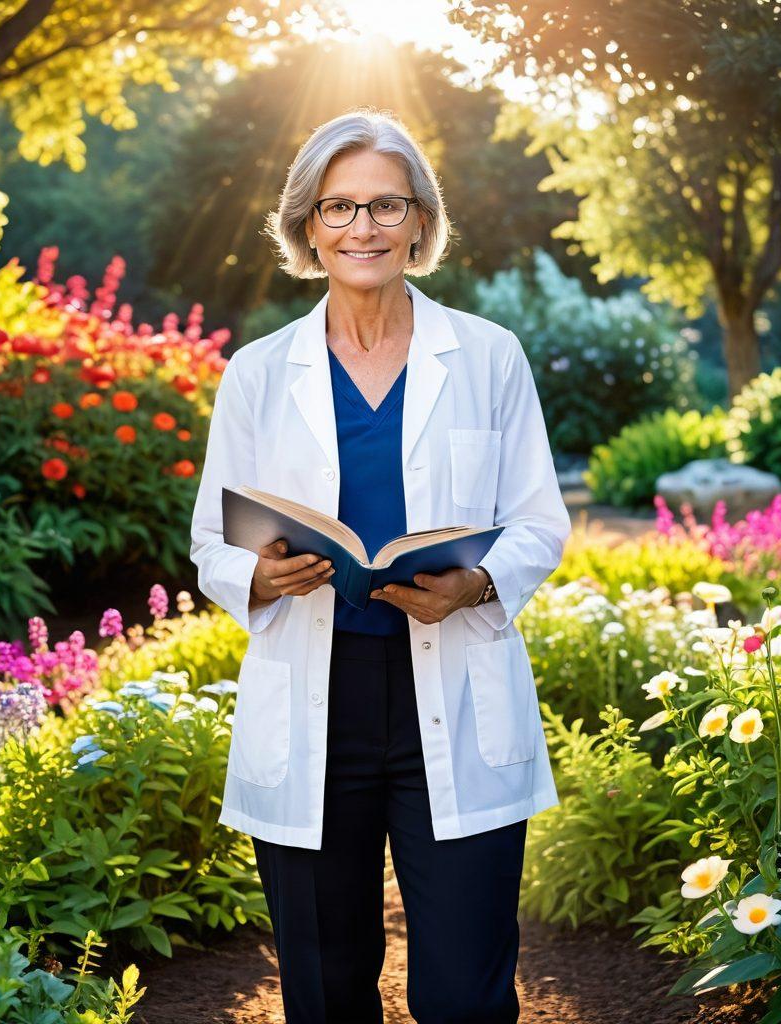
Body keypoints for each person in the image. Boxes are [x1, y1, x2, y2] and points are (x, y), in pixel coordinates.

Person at [189, 106, 572, 1024]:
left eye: (387, 206)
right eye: (339, 208)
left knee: (467, 995)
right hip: (318, 696)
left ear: (421, 224)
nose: (363, 228)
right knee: (324, 990)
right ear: (307, 229)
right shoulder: (257, 371)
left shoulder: (487, 356)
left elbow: (538, 520)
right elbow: (212, 539)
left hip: (458, 684)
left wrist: (475, 582)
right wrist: (256, 577)